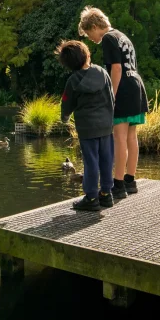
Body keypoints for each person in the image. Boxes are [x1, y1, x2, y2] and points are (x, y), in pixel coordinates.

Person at [78, 7, 149, 199]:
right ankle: (130, 180)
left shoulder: (108, 38)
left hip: (123, 90)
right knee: (131, 136)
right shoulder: (122, 36)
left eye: (88, 33)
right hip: (136, 87)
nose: (90, 39)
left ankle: (118, 185)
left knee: (119, 137)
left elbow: (116, 69)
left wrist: (111, 96)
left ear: (94, 26)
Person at [56, 40, 115, 211]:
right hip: (105, 126)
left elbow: (66, 103)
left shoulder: (73, 81)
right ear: (88, 55)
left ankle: (91, 197)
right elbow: (111, 98)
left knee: (91, 162)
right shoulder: (103, 73)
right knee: (106, 159)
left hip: (87, 128)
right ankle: (106, 194)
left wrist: (65, 118)